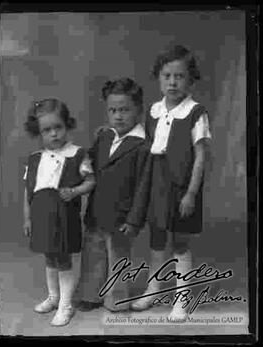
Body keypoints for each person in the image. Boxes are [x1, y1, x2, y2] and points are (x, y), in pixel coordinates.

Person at [131, 45, 211, 319]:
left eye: (179, 76)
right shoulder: (153, 111)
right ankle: (152, 291)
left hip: (181, 186)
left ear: (190, 80)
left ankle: (182, 299)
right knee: (155, 239)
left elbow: (201, 157)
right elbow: (148, 150)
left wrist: (191, 193)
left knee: (180, 242)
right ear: (158, 78)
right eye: (167, 76)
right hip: (157, 184)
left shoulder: (195, 112)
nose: (173, 82)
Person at [76, 77, 151, 312]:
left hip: (122, 215)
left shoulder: (143, 146)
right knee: (93, 254)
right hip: (97, 209)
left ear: (138, 110)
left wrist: (134, 219)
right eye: (113, 110)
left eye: (125, 110)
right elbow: (91, 161)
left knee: (118, 257)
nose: (118, 116)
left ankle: (116, 299)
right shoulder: (104, 136)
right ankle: (90, 295)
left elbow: (143, 187)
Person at [23, 98, 95, 326]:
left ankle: (66, 305)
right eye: (47, 130)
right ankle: (54, 297)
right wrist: (27, 218)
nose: (54, 134)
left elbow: (91, 182)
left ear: (67, 125)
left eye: (58, 127)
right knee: (49, 257)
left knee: (63, 260)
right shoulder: (35, 159)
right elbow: (28, 192)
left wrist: (74, 191)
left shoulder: (77, 154)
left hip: (64, 216)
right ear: (39, 132)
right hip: (41, 215)